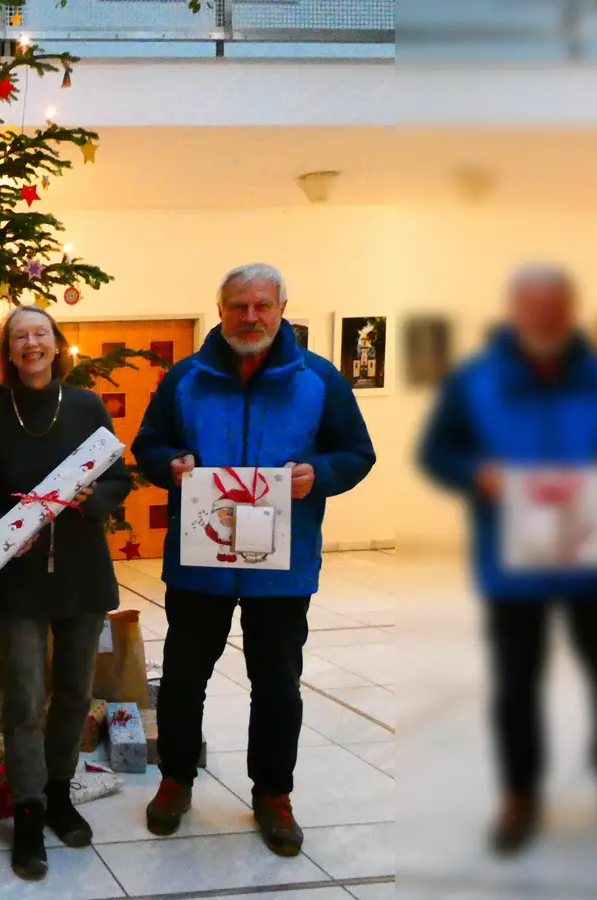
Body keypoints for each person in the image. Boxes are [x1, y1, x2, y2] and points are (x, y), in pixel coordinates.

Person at [132, 263, 376, 857]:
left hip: (283, 567)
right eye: (239, 306)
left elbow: (357, 453)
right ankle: (176, 779)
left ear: (282, 307)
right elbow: (147, 445)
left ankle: (273, 793)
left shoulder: (319, 379)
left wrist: (319, 474)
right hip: (199, 562)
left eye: (262, 305)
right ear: (220, 311)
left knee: (276, 685)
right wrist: (171, 465)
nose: (250, 317)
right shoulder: (185, 378)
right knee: (184, 680)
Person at [418, 264, 597, 856]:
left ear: (571, 311)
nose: (545, 318)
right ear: (514, 310)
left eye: (556, 307)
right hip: (513, 561)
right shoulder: (473, 381)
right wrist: (479, 474)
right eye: (534, 306)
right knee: (517, 684)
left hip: (592, 558)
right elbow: (437, 452)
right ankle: (520, 795)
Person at [0, 306, 133, 880]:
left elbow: (119, 476)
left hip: (81, 571)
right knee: (22, 698)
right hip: (20, 574)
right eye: (20, 337)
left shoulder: (87, 406)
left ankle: (61, 792)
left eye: (40, 334)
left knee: (73, 691)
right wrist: (8, 526)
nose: (32, 344)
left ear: (56, 344)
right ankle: (27, 808)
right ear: (10, 352)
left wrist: (90, 500)